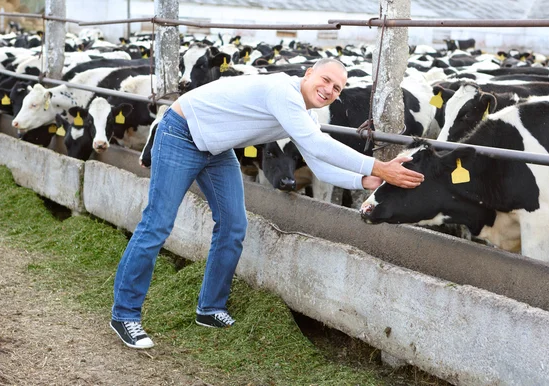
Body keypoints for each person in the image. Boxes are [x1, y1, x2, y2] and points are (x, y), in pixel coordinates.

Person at [109, 57, 425, 349]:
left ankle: (210, 308)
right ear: (309, 73)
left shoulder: (305, 113)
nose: (329, 90)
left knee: (233, 225)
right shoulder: (282, 91)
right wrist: (378, 167)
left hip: (217, 149)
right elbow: (318, 144)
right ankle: (124, 314)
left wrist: (364, 181)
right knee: (158, 223)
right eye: (325, 80)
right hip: (182, 134)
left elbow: (317, 162)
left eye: (337, 88)